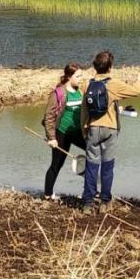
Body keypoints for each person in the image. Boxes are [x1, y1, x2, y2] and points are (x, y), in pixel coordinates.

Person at [79, 50, 140, 215]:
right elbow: (136, 91)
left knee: (91, 166)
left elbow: (84, 111)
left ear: (95, 66)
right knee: (107, 167)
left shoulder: (88, 83)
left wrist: (84, 129)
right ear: (110, 67)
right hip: (110, 129)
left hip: (93, 128)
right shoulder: (113, 83)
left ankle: (88, 203)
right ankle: (104, 202)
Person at [42, 63, 86, 201]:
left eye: (81, 76)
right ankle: (48, 195)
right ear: (69, 76)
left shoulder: (80, 91)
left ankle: (89, 192)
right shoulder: (58, 93)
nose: (80, 79)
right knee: (57, 164)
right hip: (62, 133)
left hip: (78, 132)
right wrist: (51, 137)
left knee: (93, 154)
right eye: (78, 76)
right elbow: (49, 117)